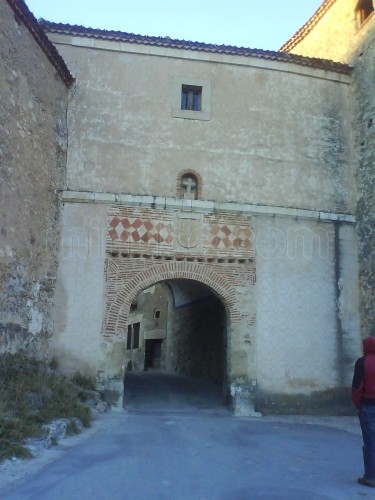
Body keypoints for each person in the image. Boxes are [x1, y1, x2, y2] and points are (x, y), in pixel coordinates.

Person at [352, 336, 375, 487]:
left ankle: (371, 477)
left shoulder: (362, 362)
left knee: (371, 442)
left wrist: (357, 404)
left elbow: (356, 388)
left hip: (367, 406)